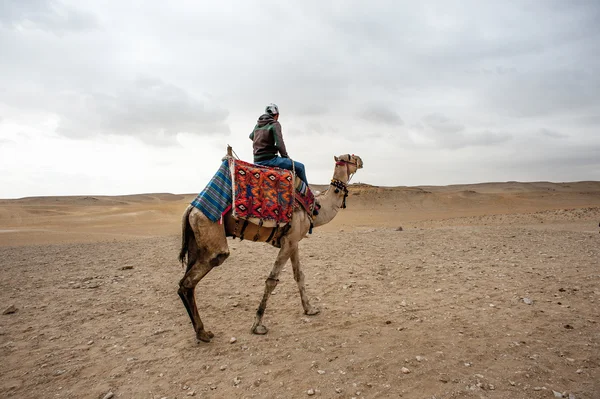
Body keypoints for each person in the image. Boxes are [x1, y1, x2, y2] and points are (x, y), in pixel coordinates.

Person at [249, 103, 308, 185]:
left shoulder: (258, 125)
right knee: (300, 167)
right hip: (270, 160)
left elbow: (251, 136)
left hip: (257, 160)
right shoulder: (275, 124)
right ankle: (308, 196)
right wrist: (285, 157)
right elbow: (280, 143)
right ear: (276, 115)